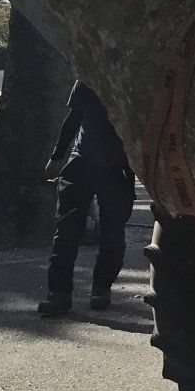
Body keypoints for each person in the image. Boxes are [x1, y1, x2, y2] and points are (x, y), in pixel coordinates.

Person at [37, 81, 136, 317]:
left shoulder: (130, 76)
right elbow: (73, 119)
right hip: (81, 163)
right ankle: (59, 294)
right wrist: (57, 156)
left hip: (118, 168)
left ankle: (101, 287)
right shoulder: (87, 79)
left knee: (112, 232)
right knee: (66, 231)